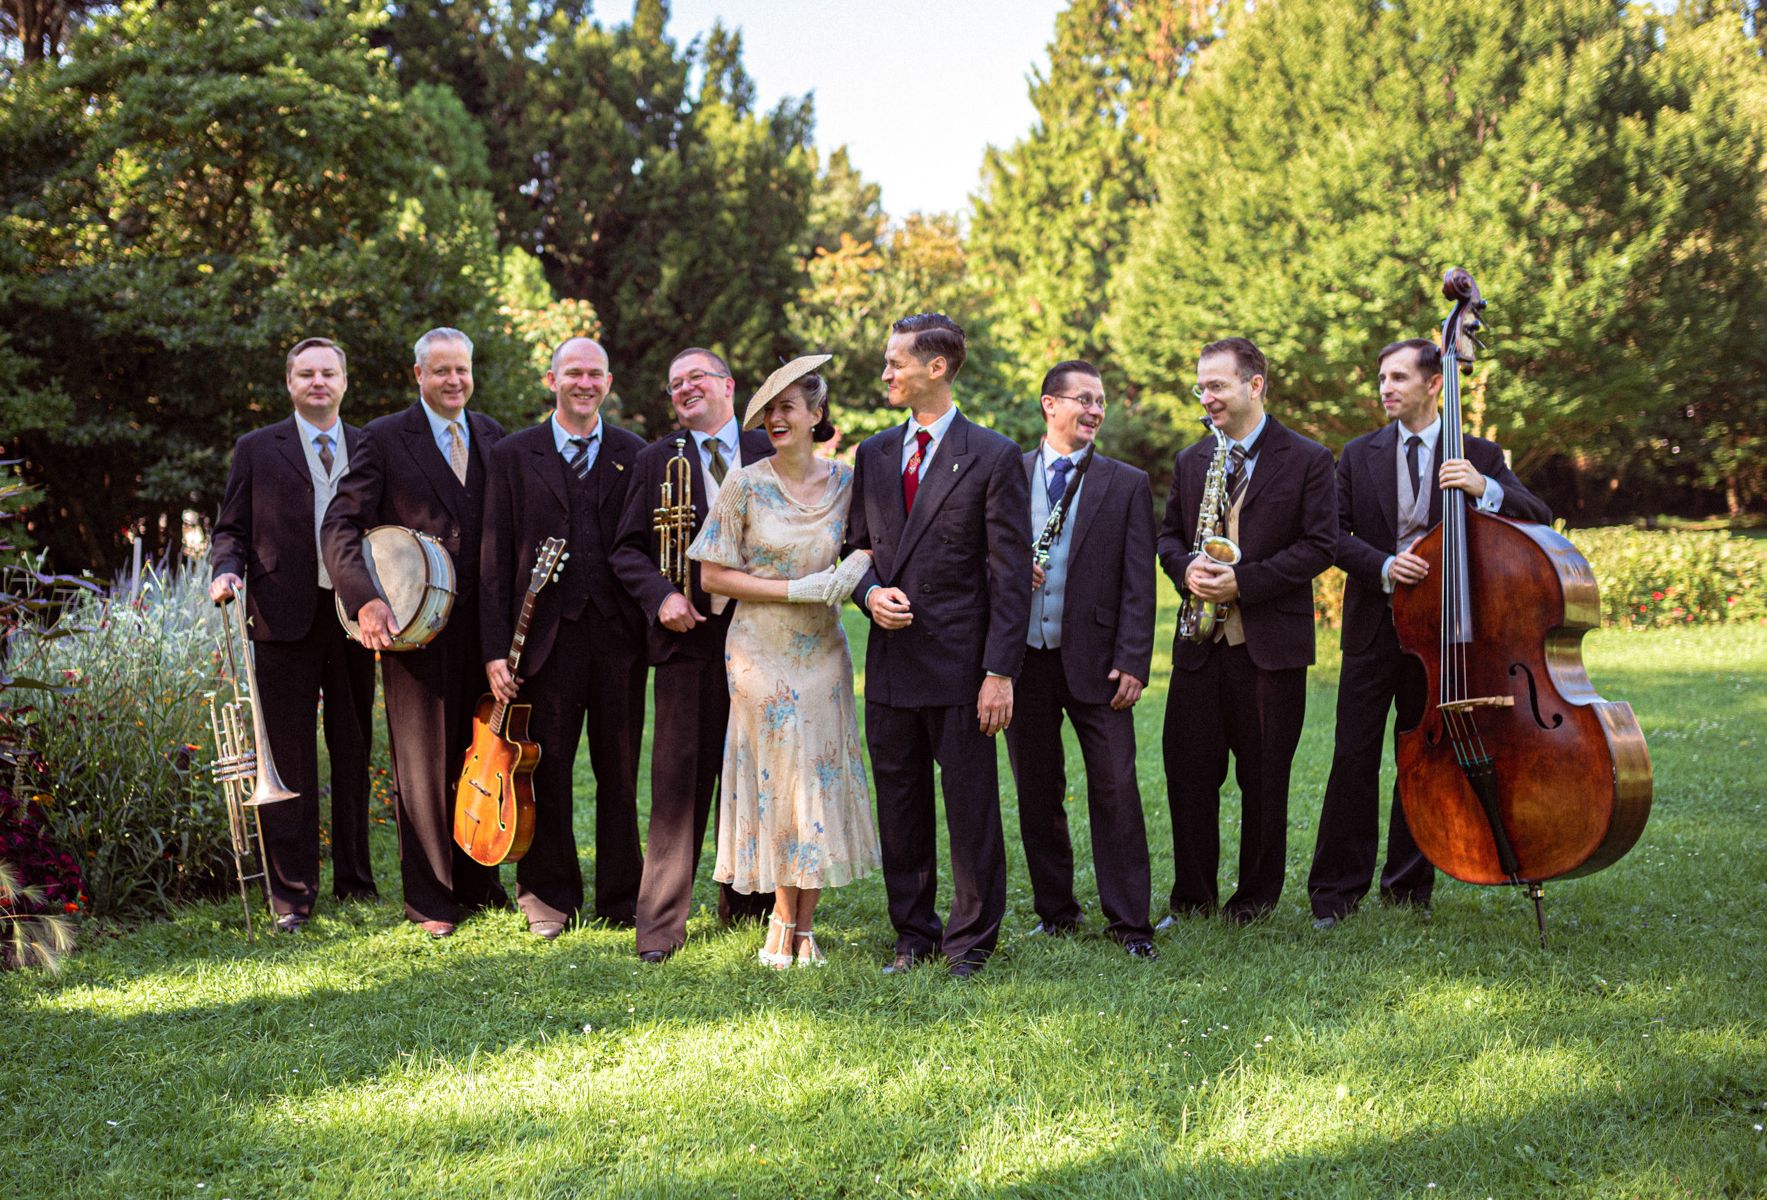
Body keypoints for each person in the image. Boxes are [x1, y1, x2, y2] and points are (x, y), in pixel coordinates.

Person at [1306, 336, 1551, 928]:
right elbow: (1331, 535)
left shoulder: (1479, 453)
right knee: (1353, 758)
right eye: (1381, 379)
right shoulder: (1358, 453)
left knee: (1423, 758)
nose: (1385, 388)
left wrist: (1485, 489)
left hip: (1446, 637)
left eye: (1397, 377)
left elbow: (1540, 516)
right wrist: (1383, 566)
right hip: (1372, 631)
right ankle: (1335, 894)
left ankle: (1408, 887)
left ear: (1435, 383)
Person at [846, 313, 1032, 978]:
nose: (885, 374)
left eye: (895, 362)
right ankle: (913, 935)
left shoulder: (994, 455)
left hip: (962, 668)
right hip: (891, 666)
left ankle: (970, 942)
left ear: (937, 367)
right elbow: (853, 550)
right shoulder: (872, 454)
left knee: (971, 808)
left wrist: (999, 673)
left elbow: (1010, 576)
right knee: (899, 806)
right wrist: (869, 594)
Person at [689, 354, 880, 968]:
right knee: (779, 780)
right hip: (758, 651)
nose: (776, 419)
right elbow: (712, 575)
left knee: (816, 781)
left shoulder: (849, 482)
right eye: (769, 410)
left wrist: (859, 563)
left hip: (823, 652)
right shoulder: (745, 483)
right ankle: (780, 916)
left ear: (816, 414)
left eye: (788, 408)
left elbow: (875, 543)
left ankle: (804, 926)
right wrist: (794, 589)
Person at [322, 327, 506, 937]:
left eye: (462, 369)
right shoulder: (381, 438)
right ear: (419, 376)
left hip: (486, 625)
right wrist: (365, 600)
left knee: (482, 754)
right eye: (441, 370)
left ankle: (481, 882)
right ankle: (431, 901)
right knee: (423, 766)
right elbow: (339, 526)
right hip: (414, 624)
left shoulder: (492, 434)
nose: (454, 380)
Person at [1156, 336, 1336, 925]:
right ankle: (1193, 899)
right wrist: (1185, 568)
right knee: (1188, 776)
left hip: (1269, 648)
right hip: (1198, 645)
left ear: (1255, 385)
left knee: (1265, 780)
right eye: (1201, 387)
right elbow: (1168, 538)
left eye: (1217, 386)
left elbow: (1321, 544)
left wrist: (1244, 582)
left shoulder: (1308, 458)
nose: (1206, 397)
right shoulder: (1191, 460)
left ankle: (1254, 901)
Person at [479, 337, 648, 939]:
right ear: (552, 380)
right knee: (543, 770)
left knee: (619, 772)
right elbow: (494, 558)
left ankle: (623, 897)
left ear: (608, 382)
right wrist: (494, 650)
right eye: (573, 372)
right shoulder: (512, 454)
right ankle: (548, 898)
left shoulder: (635, 453)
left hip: (619, 642)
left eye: (595, 374)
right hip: (542, 646)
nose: (584, 383)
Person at [611, 348, 775, 963]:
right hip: (688, 642)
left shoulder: (769, 447)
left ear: (729, 385)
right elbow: (626, 549)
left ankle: (752, 903)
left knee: (755, 772)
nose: (684, 388)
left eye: (696, 377)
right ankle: (659, 927)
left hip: (762, 637)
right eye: (675, 383)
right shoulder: (656, 459)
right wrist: (661, 597)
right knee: (678, 783)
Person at [209, 337, 378, 932]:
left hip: (356, 616)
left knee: (354, 747)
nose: (318, 382)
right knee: (287, 757)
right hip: (281, 618)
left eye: (328, 373)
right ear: (289, 383)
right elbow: (230, 528)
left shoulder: (369, 445)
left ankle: (356, 880)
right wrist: (226, 569)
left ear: (344, 381)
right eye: (306, 374)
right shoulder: (257, 448)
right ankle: (292, 896)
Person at [1004, 360, 1158, 959]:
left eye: (1100, 402)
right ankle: (1056, 913)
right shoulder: (1008, 474)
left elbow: (1139, 581)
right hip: (1025, 659)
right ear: (1050, 404)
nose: (1095, 410)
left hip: (1100, 662)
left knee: (1116, 787)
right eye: (1083, 399)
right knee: (1037, 788)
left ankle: (1130, 924)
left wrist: (1134, 660)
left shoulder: (1127, 483)